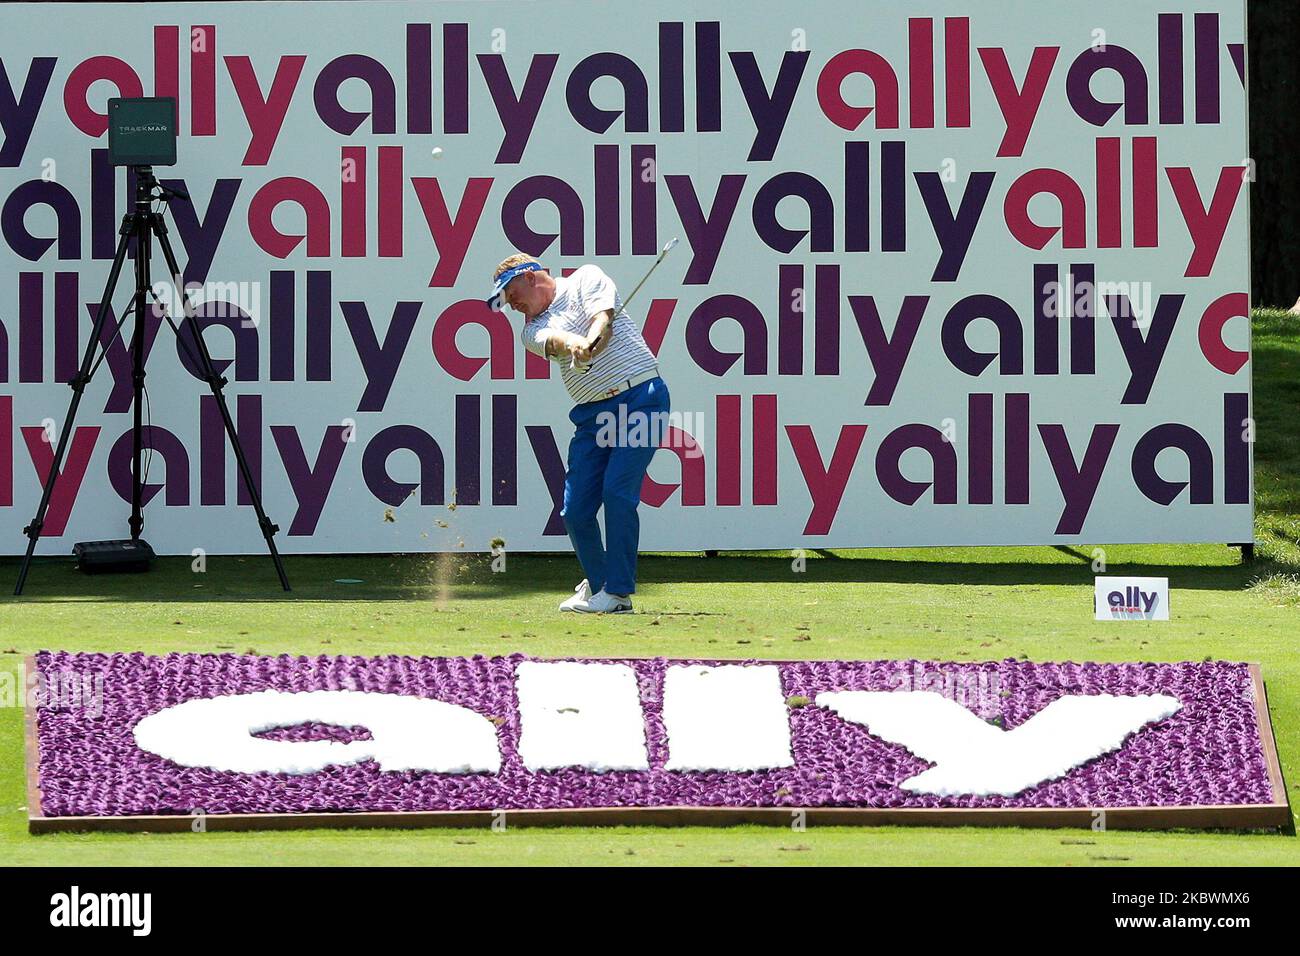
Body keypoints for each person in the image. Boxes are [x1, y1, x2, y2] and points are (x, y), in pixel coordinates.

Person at [487, 254, 669, 613]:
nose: (512, 305)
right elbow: (554, 340)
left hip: (640, 399)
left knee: (617, 491)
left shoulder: (586, 278)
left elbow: (604, 320)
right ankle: (600, 585)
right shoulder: (530, 330)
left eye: (510, 293)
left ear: (529, 276)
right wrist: (576, 345)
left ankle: (617, 595)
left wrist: (594, 340)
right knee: (575, 510)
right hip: (592, 416)